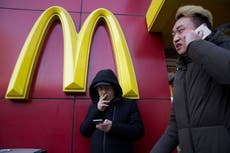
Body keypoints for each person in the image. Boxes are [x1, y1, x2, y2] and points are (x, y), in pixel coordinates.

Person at [150, 5, 230, 153]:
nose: (175, 38)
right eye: (173, 33)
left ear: (203, 30)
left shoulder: (224, 48)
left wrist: (196, 45)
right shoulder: (182, 71)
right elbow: (175, 126)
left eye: (180, 31)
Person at [80, 69, 144, 153]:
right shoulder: (94, 107)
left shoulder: (129, 104)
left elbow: (138, 131)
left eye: (106, 88)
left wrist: (114, 127)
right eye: (100, 89)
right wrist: (98, 110)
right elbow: (84, 132)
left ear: (114, 88)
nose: (103, 92)